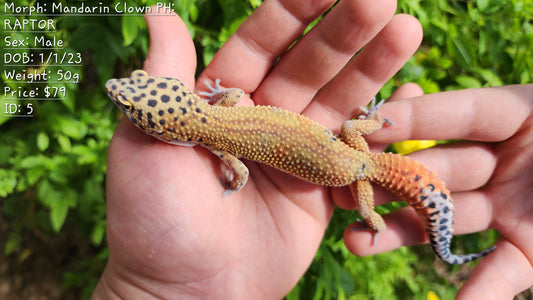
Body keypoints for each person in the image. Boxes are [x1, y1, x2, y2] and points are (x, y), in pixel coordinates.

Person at [92, 0, 533, 298]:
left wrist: (371, 215)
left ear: (167, 131)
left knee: (365, 207)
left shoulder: (216, 145)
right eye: (133, 100)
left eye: (130, 102)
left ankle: (428, 233)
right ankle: (427, 217)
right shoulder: (221, 117)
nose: (119, 93)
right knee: (353, 131)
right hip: (353, 147)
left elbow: (242, 175)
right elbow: (229, 101)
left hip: (357, 168)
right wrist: (373, 122)